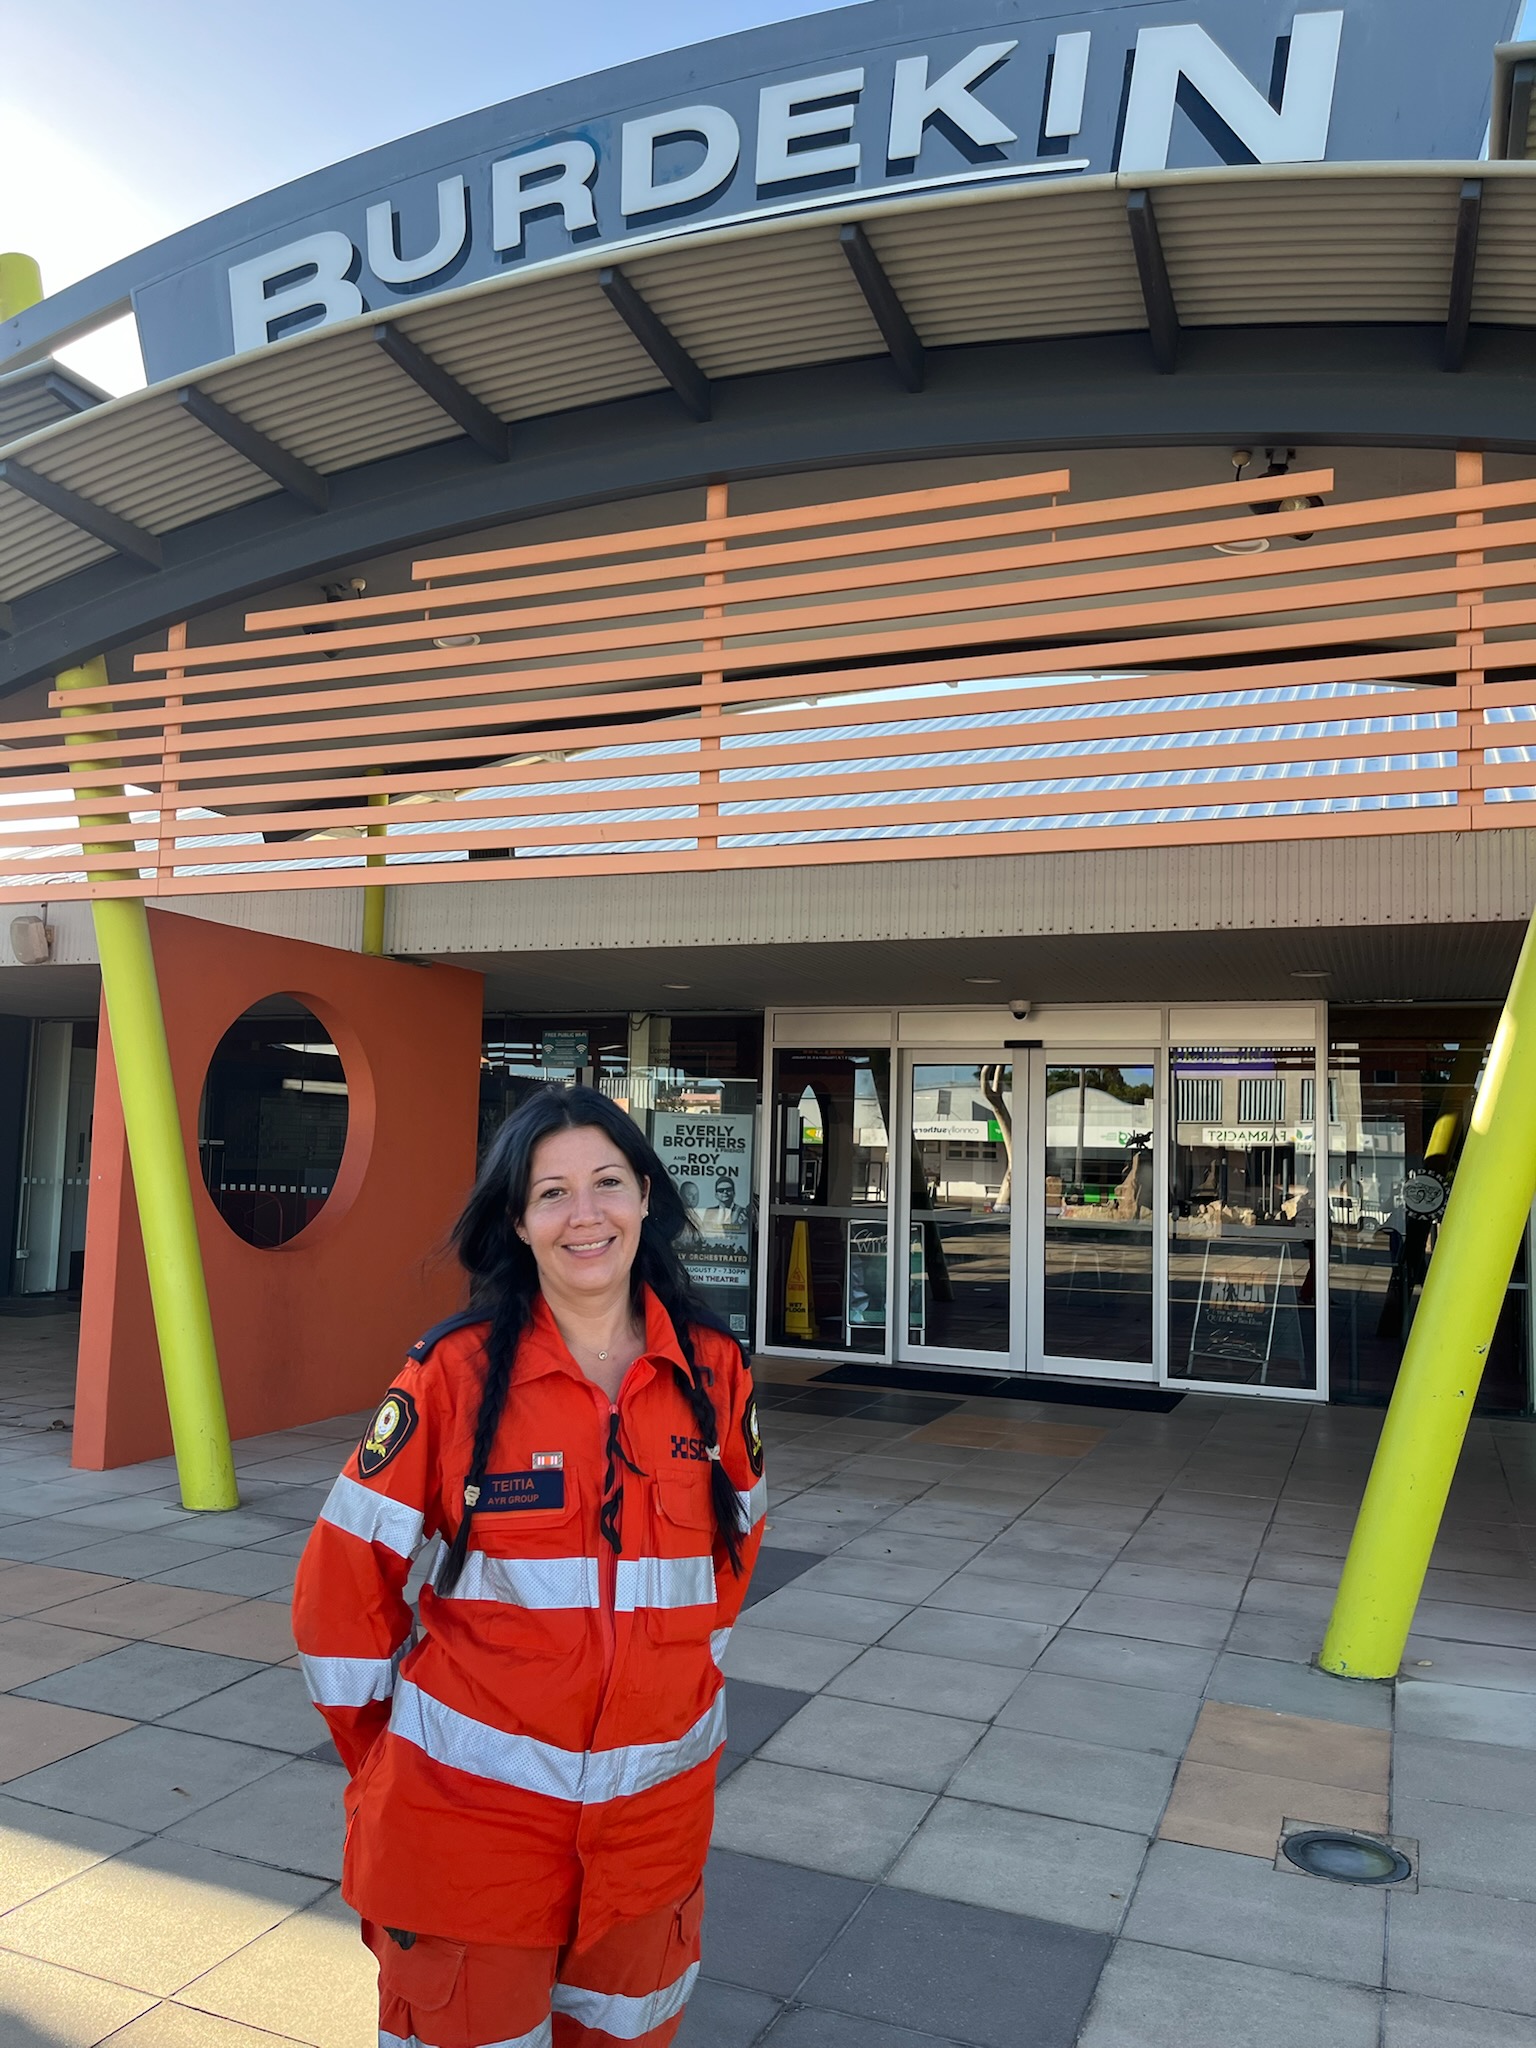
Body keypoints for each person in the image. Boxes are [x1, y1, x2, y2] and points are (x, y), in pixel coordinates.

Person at [293, 1086, 765, 2048]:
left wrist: (668, 1697)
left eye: (608, 1183)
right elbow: (341, 1595)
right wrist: (387, 1763)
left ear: (646, 1197)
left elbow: (730, 1564)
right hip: (468, 1841)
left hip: (650, 1842)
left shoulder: (715, 1370)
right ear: (517, 1221)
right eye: (552, 1193)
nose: (585, 1215)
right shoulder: (453, 1375)